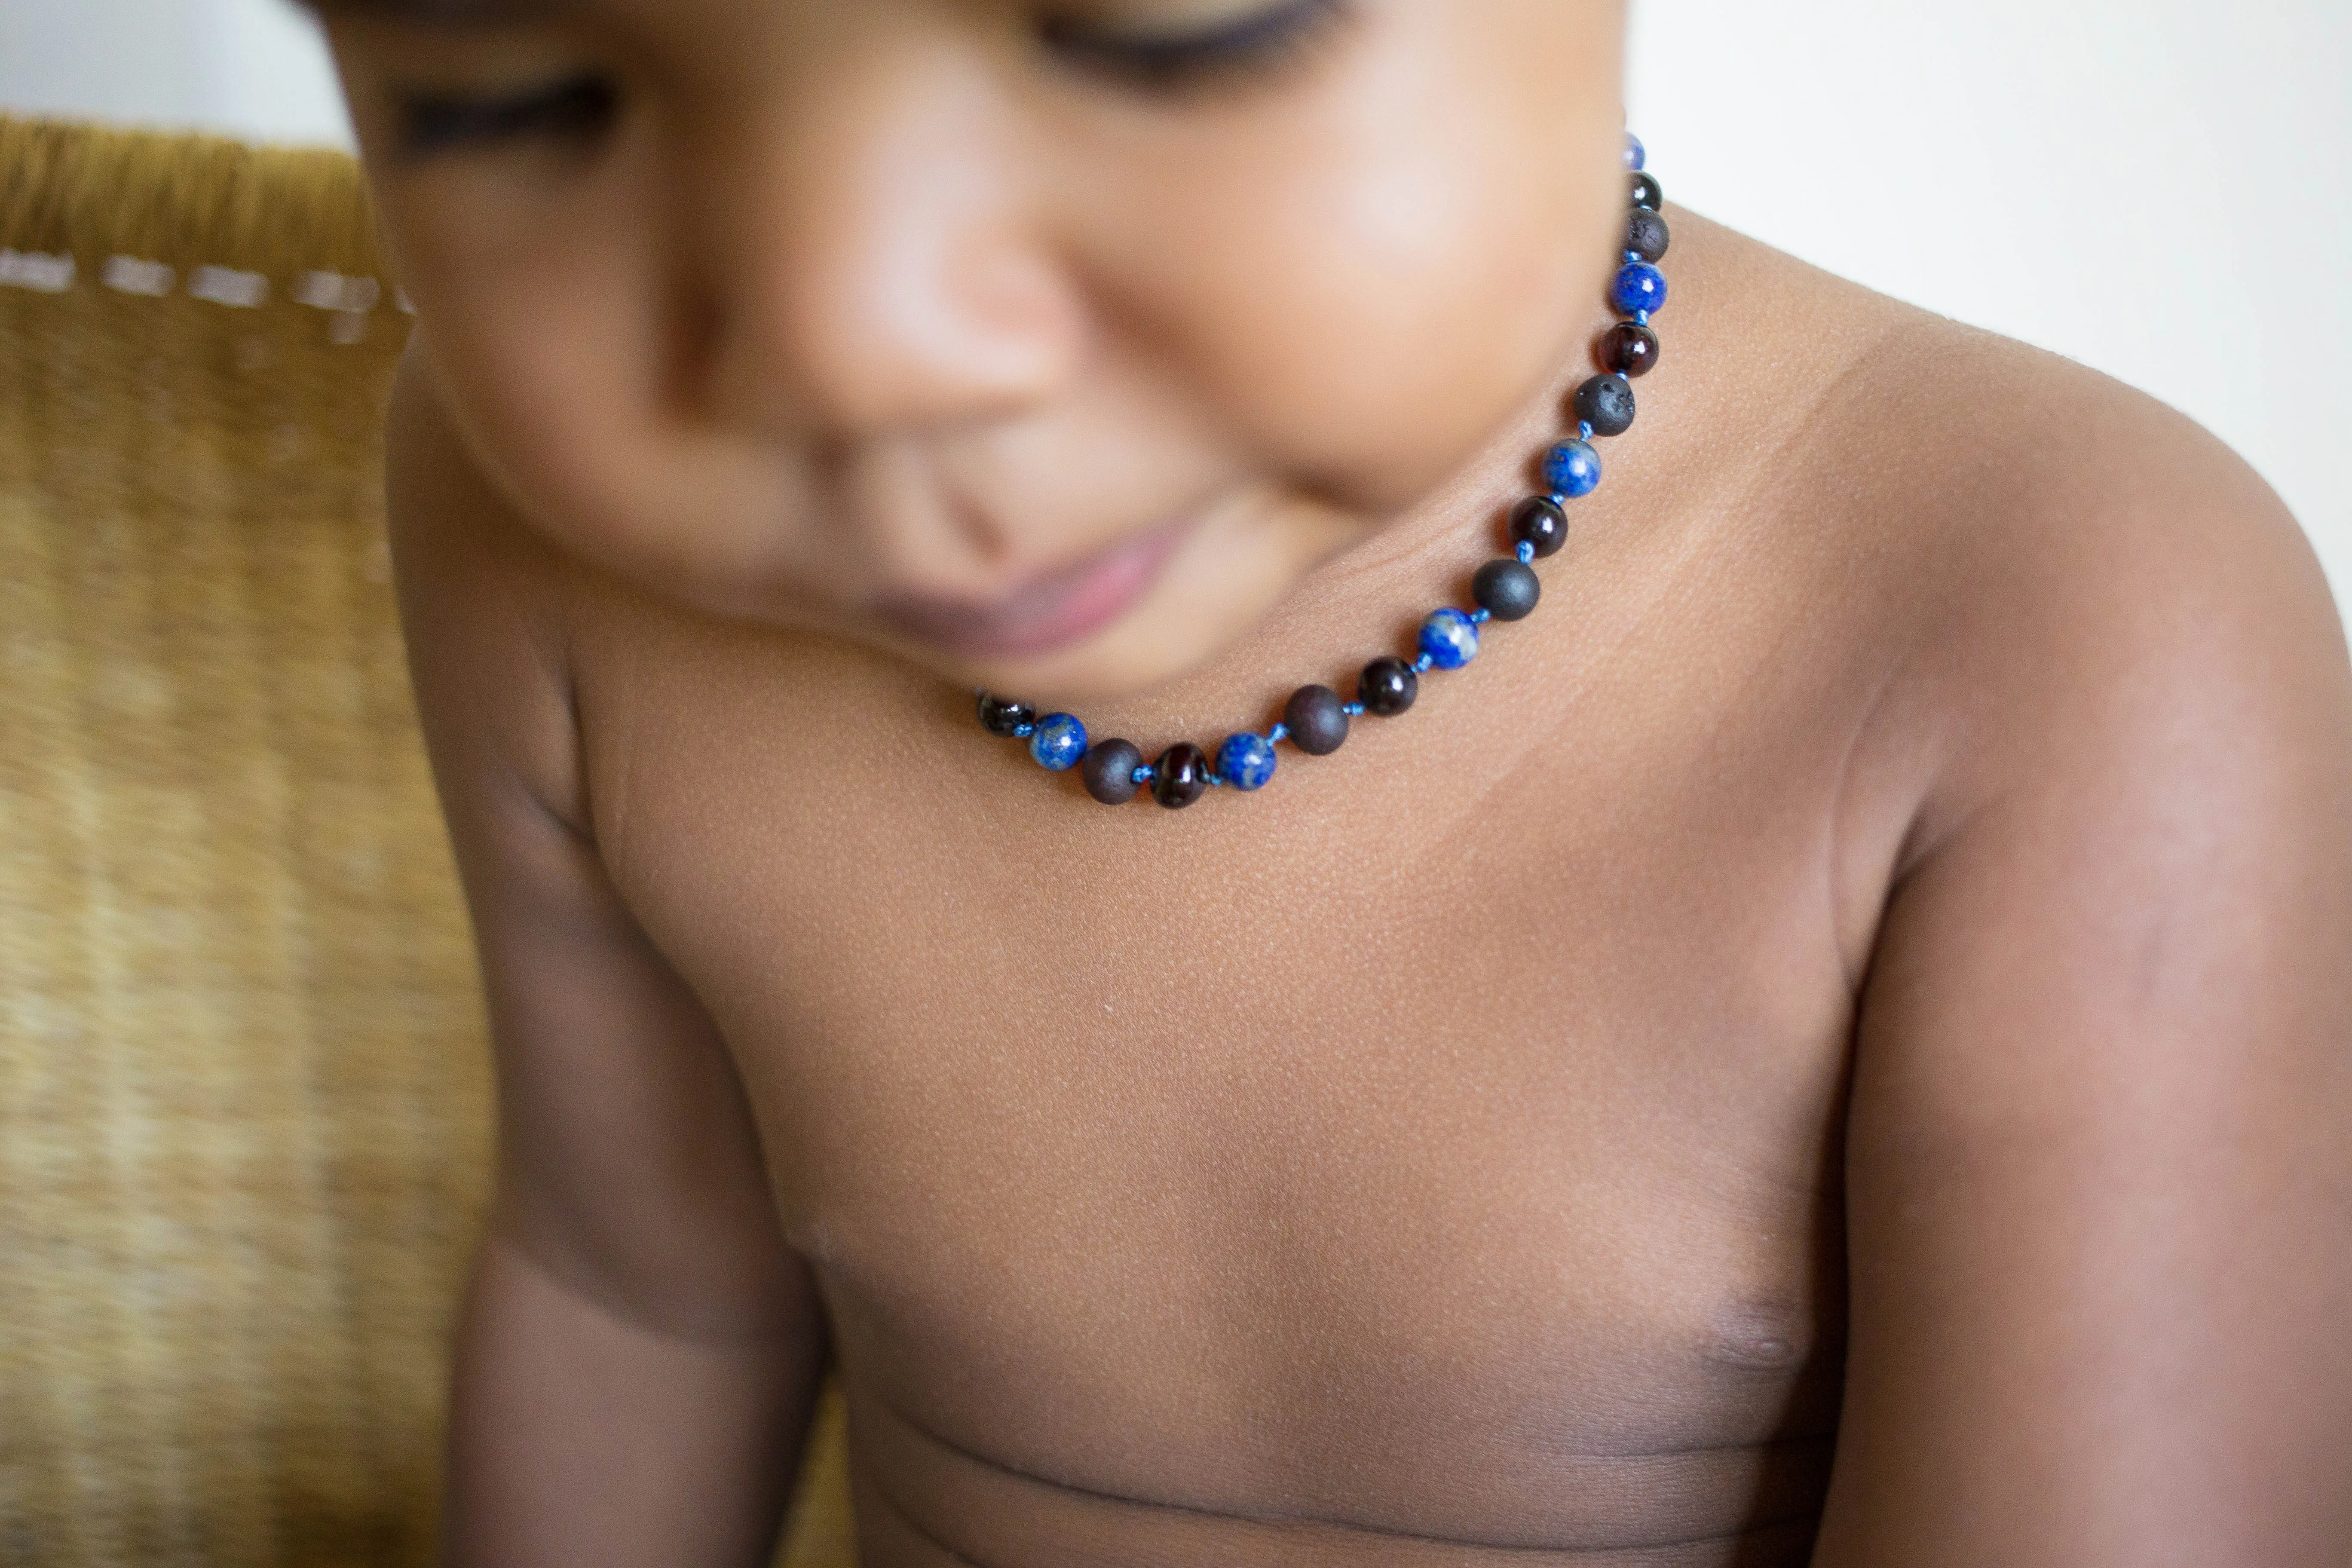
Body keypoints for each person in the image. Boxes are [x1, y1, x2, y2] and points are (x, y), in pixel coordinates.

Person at [314, 1, 2352, 1562]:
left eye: (1167, 25)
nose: (854, 347)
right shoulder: (546, 542)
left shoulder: (2058, 612)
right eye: (512, 94)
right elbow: (633, 1287)